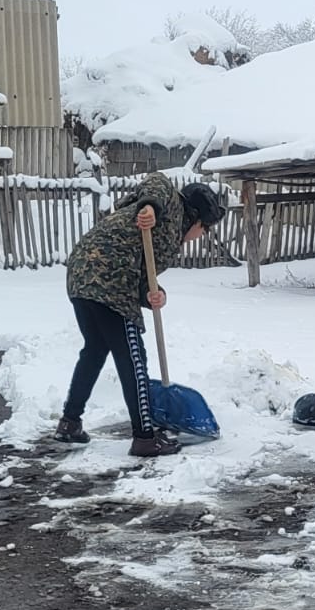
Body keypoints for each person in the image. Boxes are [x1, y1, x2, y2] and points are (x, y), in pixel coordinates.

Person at [54, 173, 225, 457]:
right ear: (196, 220)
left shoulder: (168, 241)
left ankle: (70, 422)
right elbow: (157, 181)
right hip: (109, 279)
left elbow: (144, 273)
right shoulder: (172, 206)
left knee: (95, 350)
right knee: (132, 358)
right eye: (205, 229)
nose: (201, 236)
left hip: (83, 275)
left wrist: (154, 293)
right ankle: (145, 437)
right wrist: (150, 207)